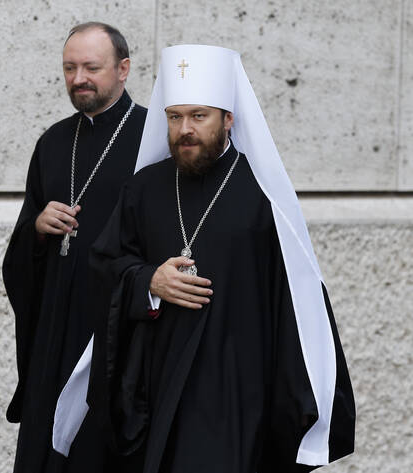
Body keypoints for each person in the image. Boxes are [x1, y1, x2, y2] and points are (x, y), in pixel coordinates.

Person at [80, 45, 356, 472]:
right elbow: (104, 266)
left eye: (198, 116)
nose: (184, 129)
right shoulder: (143, 189)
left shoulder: (263, 196)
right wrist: (149, 282)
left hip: (237, 393)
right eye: (175, 117)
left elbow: (296, 302)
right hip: (157, 388)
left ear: (228, 119)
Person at [2, 22, 147, 473]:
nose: (78, 78)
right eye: (69, 68)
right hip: (56, 327)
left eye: (91, 67)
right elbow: (20, 254)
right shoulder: (53, 142)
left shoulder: (152, 138)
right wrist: (39, 230)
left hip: (118, 330)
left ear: (123, 69)